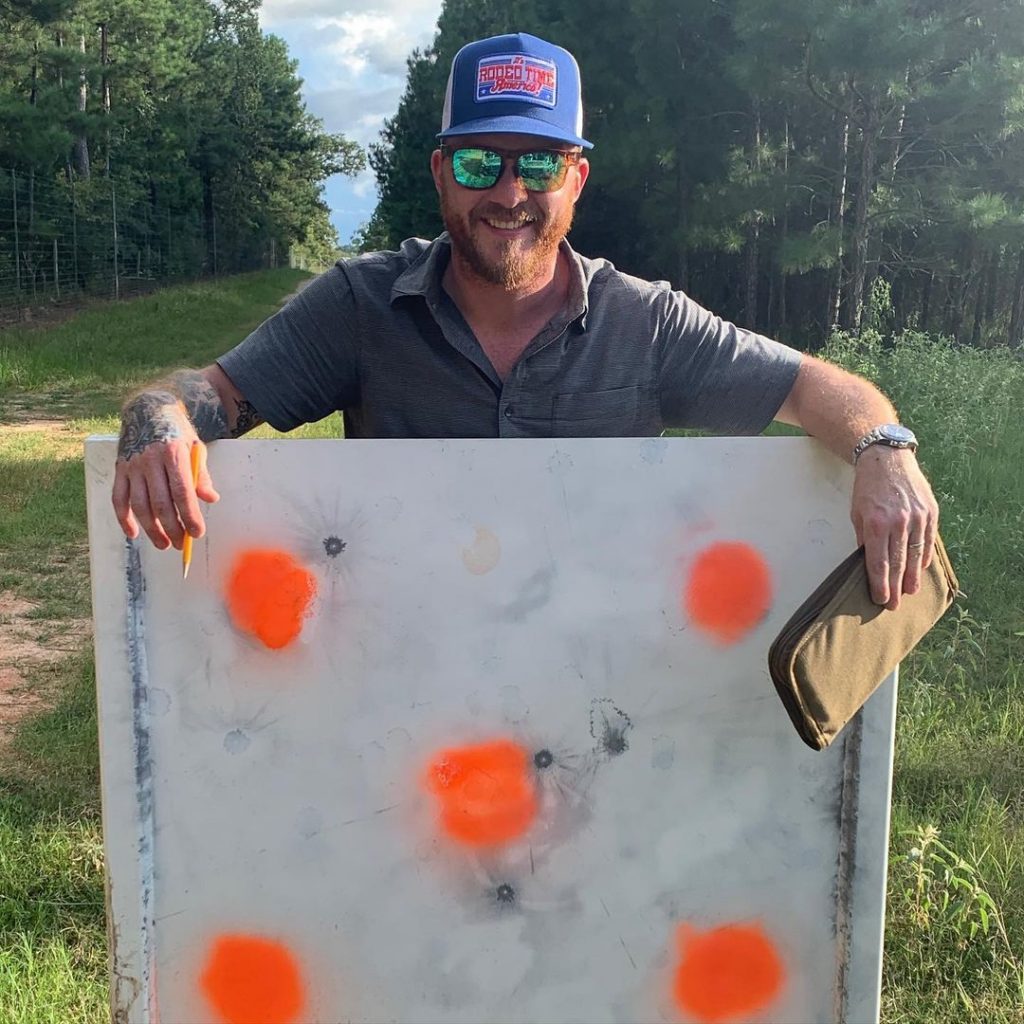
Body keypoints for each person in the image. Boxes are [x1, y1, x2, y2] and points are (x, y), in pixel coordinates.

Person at [112, 32, 938, 610]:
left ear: (575, 178)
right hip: (395, 670)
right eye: (480, 162)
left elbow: (816, 386)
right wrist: (159, 419)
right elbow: (212, 393)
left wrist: (884, 450)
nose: (509, 193)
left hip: (596, 674)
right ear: (442, 174)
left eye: (538, 162)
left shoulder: (645, 323)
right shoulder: (359, 306)